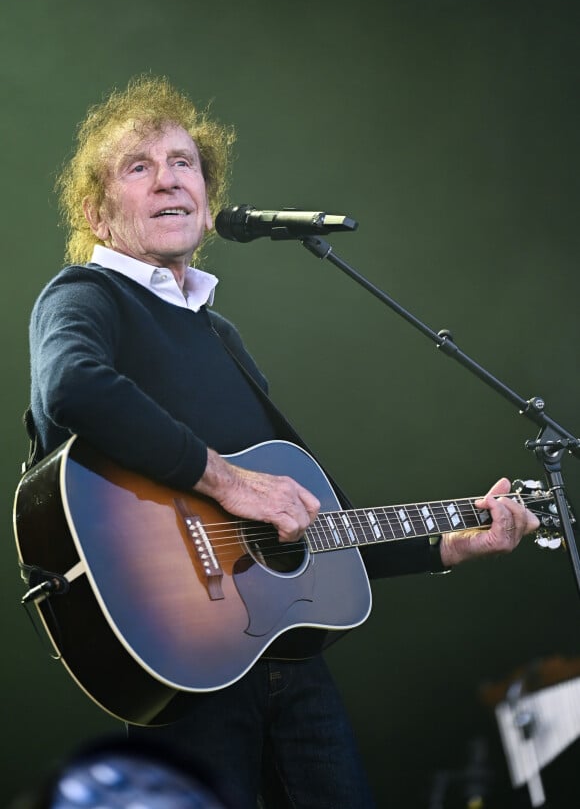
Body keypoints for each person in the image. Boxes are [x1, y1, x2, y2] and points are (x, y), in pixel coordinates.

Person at [24, 74, 539, 809]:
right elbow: (70, 386)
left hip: (280, 652)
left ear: (206, 203)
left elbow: (305, 520)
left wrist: (449, 542)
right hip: (185, 652)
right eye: (139, 167)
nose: (169, 177)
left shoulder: (218, 334)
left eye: (184, 163)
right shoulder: (86, 296)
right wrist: (231, 483)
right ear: (97, 213)